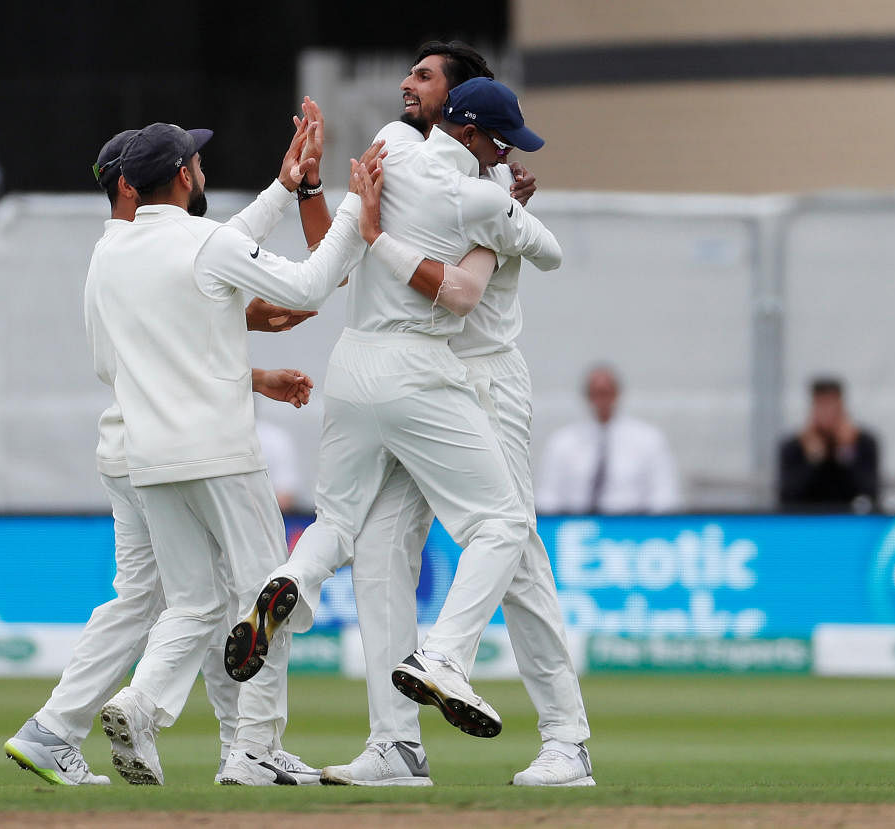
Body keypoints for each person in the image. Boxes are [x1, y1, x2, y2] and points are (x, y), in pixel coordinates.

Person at [226, 77, 563, 778]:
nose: (410, 84)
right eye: (500, 141)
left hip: (354, 367)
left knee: (345, 525)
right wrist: (505, 205)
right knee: (502, 526)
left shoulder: (384, 156)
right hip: (427, 371)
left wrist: (316, 200)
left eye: (426, 76)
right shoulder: (476, 194)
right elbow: (526, 262)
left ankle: (295, 576)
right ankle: (442, 663)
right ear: (475, 135)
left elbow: (320, 279)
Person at [23, 120, 370, 788]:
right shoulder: (206, 242)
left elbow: (217, 258)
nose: (203, 168)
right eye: (199, 161)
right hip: (221, 451)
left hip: (149, 457)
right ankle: (254, 748)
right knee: (269, 594)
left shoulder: (113, 253)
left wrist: (282, 184)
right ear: (183, 175)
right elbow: (305, 287)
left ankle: (140, 702)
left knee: (194, 605)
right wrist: (350, 204)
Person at [306, 43, 592, 788]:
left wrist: (497, 206)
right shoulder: (402, 150)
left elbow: (475, 281)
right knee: (377, 552)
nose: (408, 85)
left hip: (483, 380)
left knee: (516, 550)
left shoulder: (487, 189)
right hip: (415, 383)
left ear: (462, 104)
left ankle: (565, 739)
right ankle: (396, 746)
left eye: (425, 79)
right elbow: (339, 243)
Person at [538, 364, 681, 515]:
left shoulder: (649, 440)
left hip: (632, 528)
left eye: (606, 393)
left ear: (617, 394)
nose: (602, 400)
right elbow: (548, 495)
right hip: (575, 527)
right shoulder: (562, 442)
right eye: (596, 393)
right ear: (587, 397)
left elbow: (664, 495)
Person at [779, 377, 879, 512]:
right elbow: (787, 498)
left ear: (841, 407)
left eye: (831, 405)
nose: (826, 413)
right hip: (807, 522)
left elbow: (869, 494)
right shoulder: (794, 447)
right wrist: (814, 458)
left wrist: (846, 451)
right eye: (821, 405)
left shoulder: (864, 443)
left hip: (850, 521)